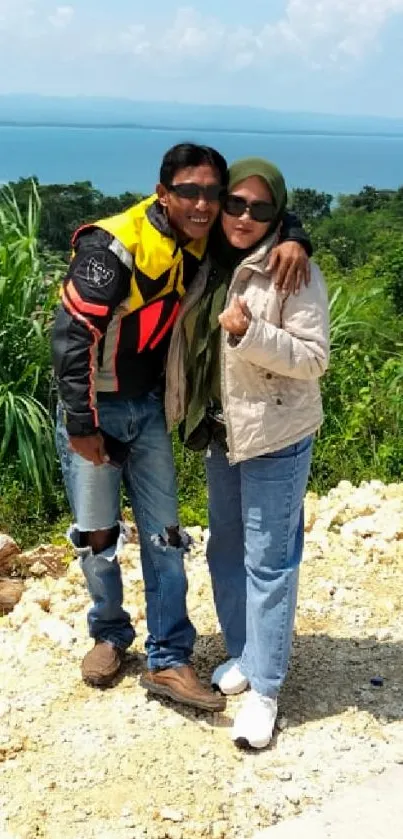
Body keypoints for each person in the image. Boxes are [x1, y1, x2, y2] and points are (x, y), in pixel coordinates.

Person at [52, 143, 312, 712]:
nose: (203, 204)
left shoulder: (202, 238)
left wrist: (295, 233)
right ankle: (109, 632)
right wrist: (79, 423)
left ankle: (169, 656)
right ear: (162, 191)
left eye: (210, 194)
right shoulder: (114, 246)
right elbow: (72, 339)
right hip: (95, 404)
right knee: (97, 532)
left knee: (165, 534)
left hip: (147, 408)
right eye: (188, 192)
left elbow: (260, 219)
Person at [165, 156, 329, 744]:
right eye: (235, 203)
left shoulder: (293, 270)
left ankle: (266, 688)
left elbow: (314, 358)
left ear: (276, 213)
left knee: (269, 562)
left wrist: (249, 333)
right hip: (224, 434)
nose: (243, 216)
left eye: (261, 208)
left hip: (275, 437)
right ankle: (244, 652)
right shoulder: (211, 257)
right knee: (226, 550)